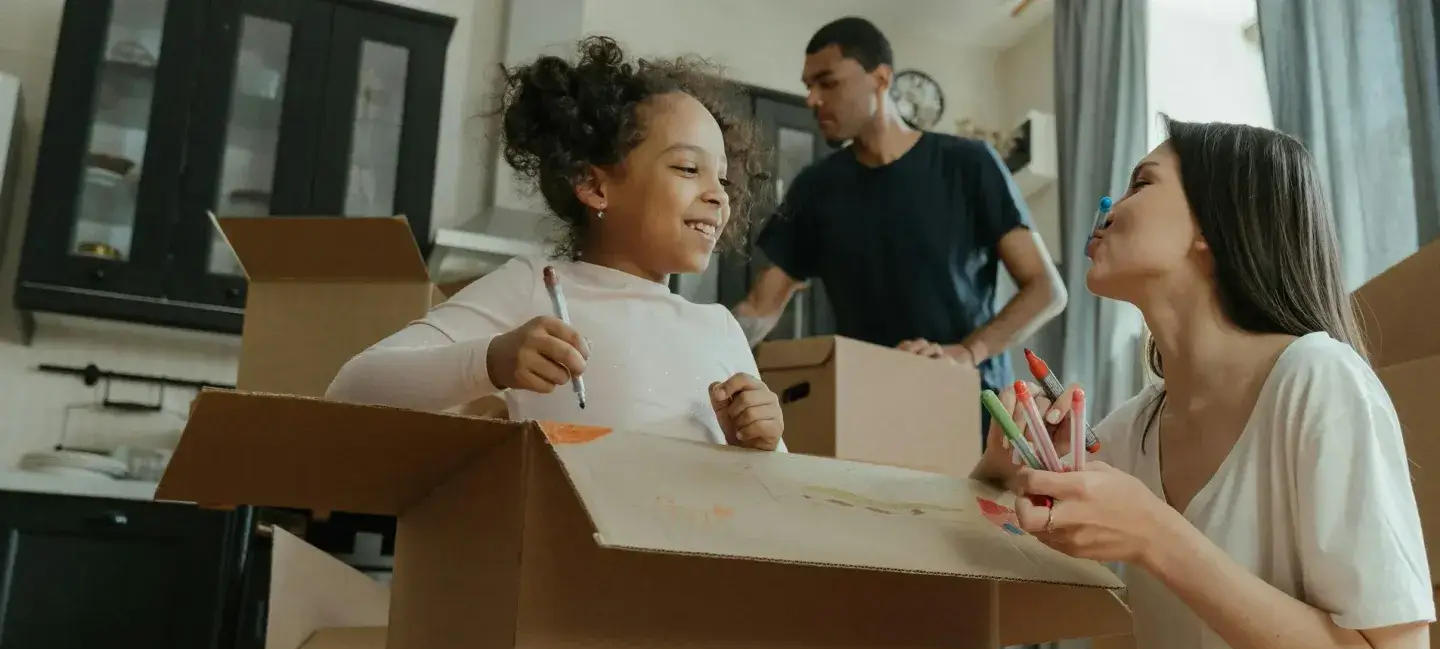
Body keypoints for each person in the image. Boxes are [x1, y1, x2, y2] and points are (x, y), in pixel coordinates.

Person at [975, 117, 1440, 649]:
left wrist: (1157, 536)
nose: (1106, 211)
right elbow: (997, 571)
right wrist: (1001, 468)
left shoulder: (1317, 379)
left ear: (1212, 228)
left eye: (1141, 184)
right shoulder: (1135, 428)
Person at [326, 37, 785, 452]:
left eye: (723, 179)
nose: (719, 195)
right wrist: (490, 362)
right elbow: (352, 389)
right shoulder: (538, 288)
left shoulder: (721, 329)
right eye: (688, 168)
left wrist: (763, 442)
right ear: (594, 185)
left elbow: (770, 492)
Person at [732, 17, 1066, 437]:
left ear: (881, 79)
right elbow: (760, 307)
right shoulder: (815, 189)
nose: (812, 99)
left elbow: (1046, 289)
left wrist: (965, 352)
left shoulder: (968, 164)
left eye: (827, 83)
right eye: (808, 86)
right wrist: (696, 340)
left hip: (971, 414)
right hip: (866, 417)